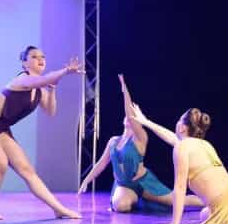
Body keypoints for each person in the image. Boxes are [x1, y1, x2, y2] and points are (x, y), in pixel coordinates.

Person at [0, 46, 82, 220]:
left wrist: (53, 88)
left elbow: (51, 111)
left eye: (43, 56)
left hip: (0, 125)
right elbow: (45, 79)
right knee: (0, 161)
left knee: (26, 169)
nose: (40, 59)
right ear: (25, 63)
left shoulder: (41, 90)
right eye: (34, 57)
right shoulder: (23, 80)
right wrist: (65, 71)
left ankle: (58, 208)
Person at [131, 105, 228, 224]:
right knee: (207, 213)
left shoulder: (182, 147)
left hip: (225, 200)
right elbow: (172, 138)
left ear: (182, 128)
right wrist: (146, 122)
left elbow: (180, 187)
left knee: (213, 215)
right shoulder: (205, 144)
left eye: (179, 120)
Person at [78, 75, 203, 212]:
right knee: (120, 206)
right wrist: (86, 180)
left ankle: (208, 200)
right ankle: (135, 200)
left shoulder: (140, 137)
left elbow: (131, 115)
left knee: (175, 200)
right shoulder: (113, 141)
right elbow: (101, 163)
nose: (128, 117)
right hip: (125, 185)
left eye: (131, 117)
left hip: (144, 183)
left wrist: (125, 92)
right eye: (126, 115)